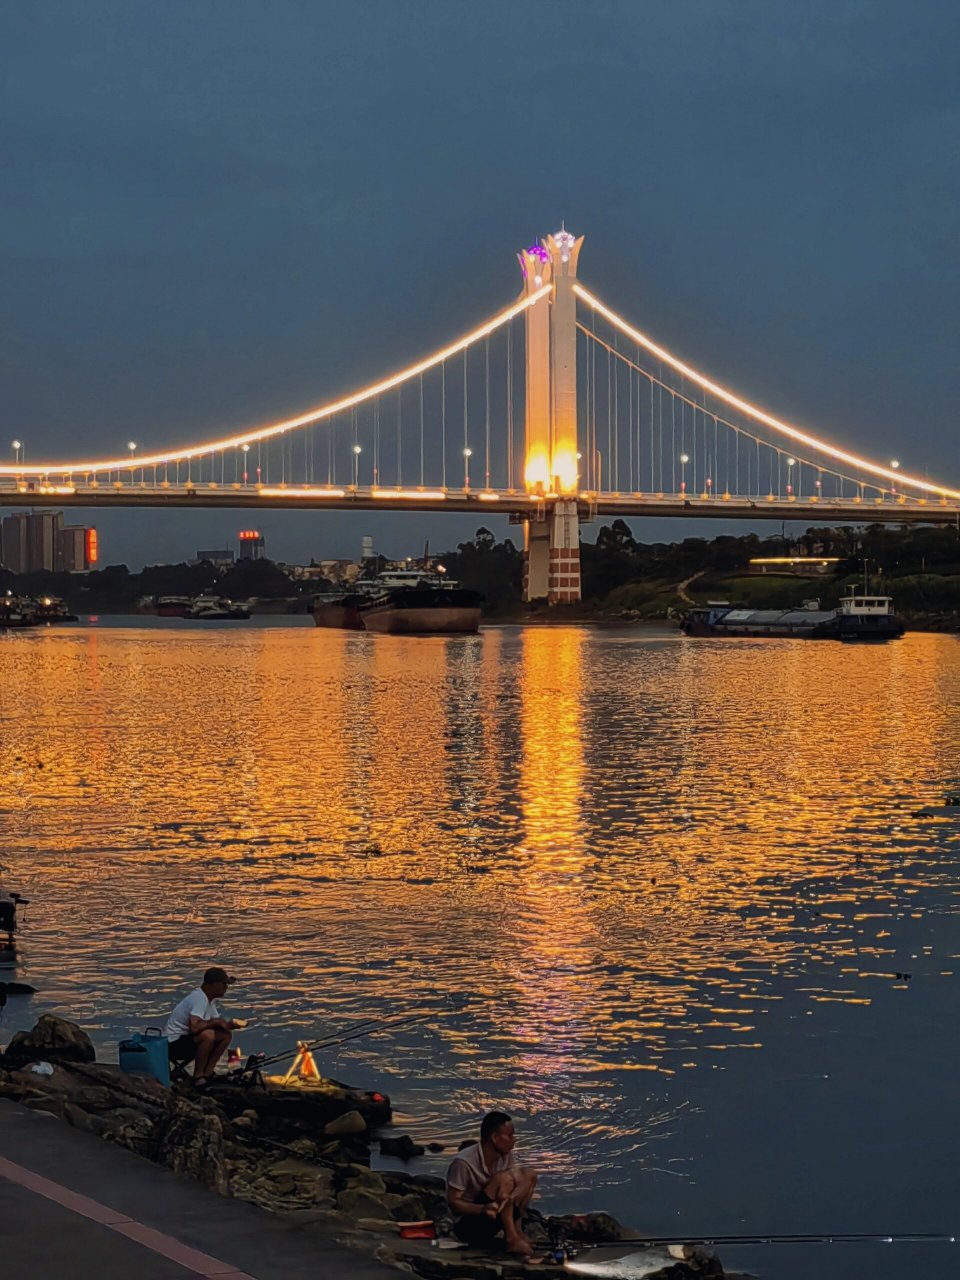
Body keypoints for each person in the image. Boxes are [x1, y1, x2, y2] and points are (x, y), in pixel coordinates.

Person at [446, 1111, 538, 1257]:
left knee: (528, 1174)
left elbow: (522, 1179)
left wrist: (513, 1197)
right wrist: (482, 1208)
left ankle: (517, 1231)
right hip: (469, 1225)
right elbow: (453, 1202)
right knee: (504, 1179)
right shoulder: (463, 1163)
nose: (514, 1139)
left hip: (496, 1213)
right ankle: (511, 1239)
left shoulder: (505, 1156)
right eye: (509, 1135)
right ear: (495, 1138)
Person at [164, 966, 240, 1087]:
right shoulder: (199, 999)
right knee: (208, 1035)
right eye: (223, 984)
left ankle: (208, 1072)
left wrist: (229, 1025)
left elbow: (217, 1022)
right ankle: (198, 1076)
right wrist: (215, 1023)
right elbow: (194, 1027)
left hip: (187, 1040)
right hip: (173, 1044)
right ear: (212, 984)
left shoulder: (209, 1000)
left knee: (225, 1035)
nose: (226, 987)